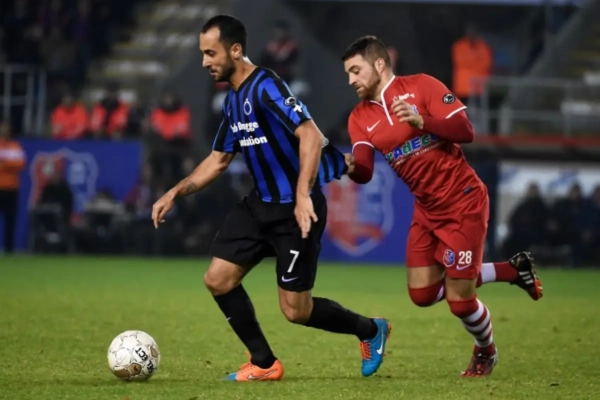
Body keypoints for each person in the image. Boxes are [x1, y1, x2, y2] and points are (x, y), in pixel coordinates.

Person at [151, 16, 391, 382]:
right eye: (202, 53)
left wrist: (301, 195)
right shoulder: (232, 100)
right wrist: (175, 191)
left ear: (235, 50)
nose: (204, 62)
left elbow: (310, 135)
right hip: (259, 205)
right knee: (218, 279)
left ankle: (371, 330)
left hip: (297, 210)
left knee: (296, 311)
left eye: (210, 53)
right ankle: (264, 363)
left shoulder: (266, 86)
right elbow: (218, 159)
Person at [340, 36, 543, 377]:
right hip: (427, 209)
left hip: (463, 201)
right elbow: (364, 171)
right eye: (348, 73)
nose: (351, 80)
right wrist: (347, 167)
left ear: (379, 64)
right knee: (422, 294)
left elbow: (465, 130)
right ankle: (510, 270)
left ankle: (486, 351)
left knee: (460, 301)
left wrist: (423, 121)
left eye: (355, 71)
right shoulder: (359, 117)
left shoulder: (422, 86)